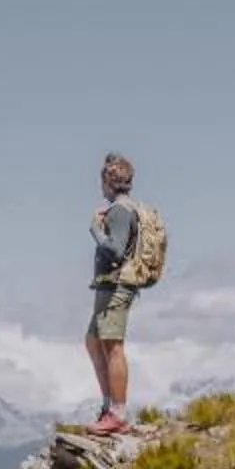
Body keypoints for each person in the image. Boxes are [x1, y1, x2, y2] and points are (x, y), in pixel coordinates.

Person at [86, 152, 141, 436]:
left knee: (112, 345)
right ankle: (109, 407)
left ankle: (117, 413)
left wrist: (95, 230)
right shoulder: (122, 208)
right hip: (108, 286)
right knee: (94, 342)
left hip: (116, 285)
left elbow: (116, 250)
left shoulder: (120, 211)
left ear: (108, 182)